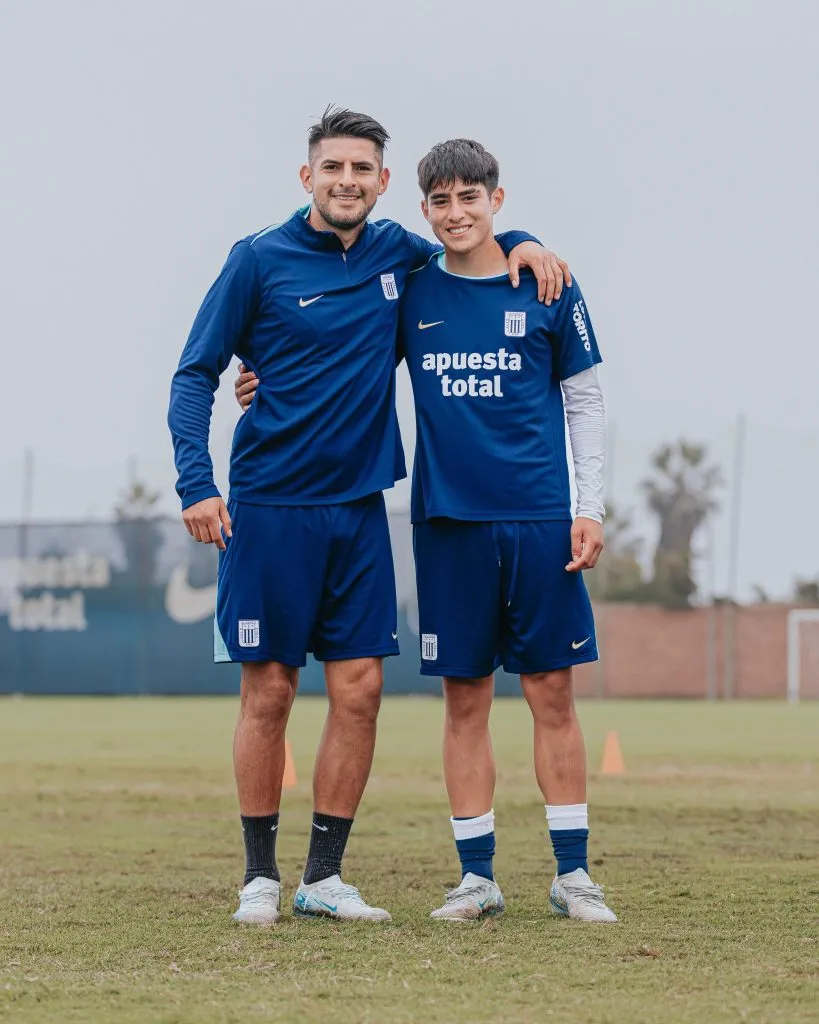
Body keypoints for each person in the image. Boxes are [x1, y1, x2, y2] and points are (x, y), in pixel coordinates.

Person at [169, 106, 571, 926]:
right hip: (268, 507)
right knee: (270, 692)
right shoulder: (256, 261)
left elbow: (472, 245)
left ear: (384, 185)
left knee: (359, 693)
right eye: (333, 169)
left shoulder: (400, 254)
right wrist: (194, 485)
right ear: (307, 177)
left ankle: (323, 878)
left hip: (360, 510)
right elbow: (195, 374)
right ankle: (258, 878)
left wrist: (523, 236)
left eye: (362, 171)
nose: (346, 182)